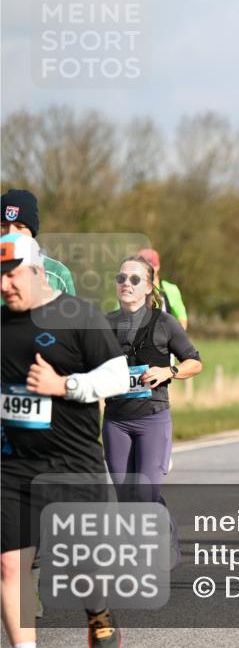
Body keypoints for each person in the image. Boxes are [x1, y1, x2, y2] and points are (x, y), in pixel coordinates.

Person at [1, 233, 129, 648]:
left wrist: (64, 385)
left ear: (38, 271)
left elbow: (116, 377)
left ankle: (98, 612)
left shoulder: (78, 315)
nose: (5, 285)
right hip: (14, 466)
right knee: (9, 566)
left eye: (12, 274)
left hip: (74, 463)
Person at [103, 254, 203, 568]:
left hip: (152, 418)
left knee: (144, 494)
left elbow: (194, 361)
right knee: (125, 495)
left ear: (148, 287)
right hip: (116, 420)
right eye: (121, 279)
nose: (126, 284)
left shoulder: (164, 323)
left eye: (134, 279)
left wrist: (168, 372)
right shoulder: (104, 324)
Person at [1, 189, 75, 298]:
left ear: (32, 232)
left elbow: (72, 313)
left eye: (19, 227)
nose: (10, 233)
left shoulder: (57, 274)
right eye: (3, 225)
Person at [136, 248, 188, 330]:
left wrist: (176, 340)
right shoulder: (128, 289)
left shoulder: (170, 289)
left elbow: (182, 319)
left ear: (158, 266)